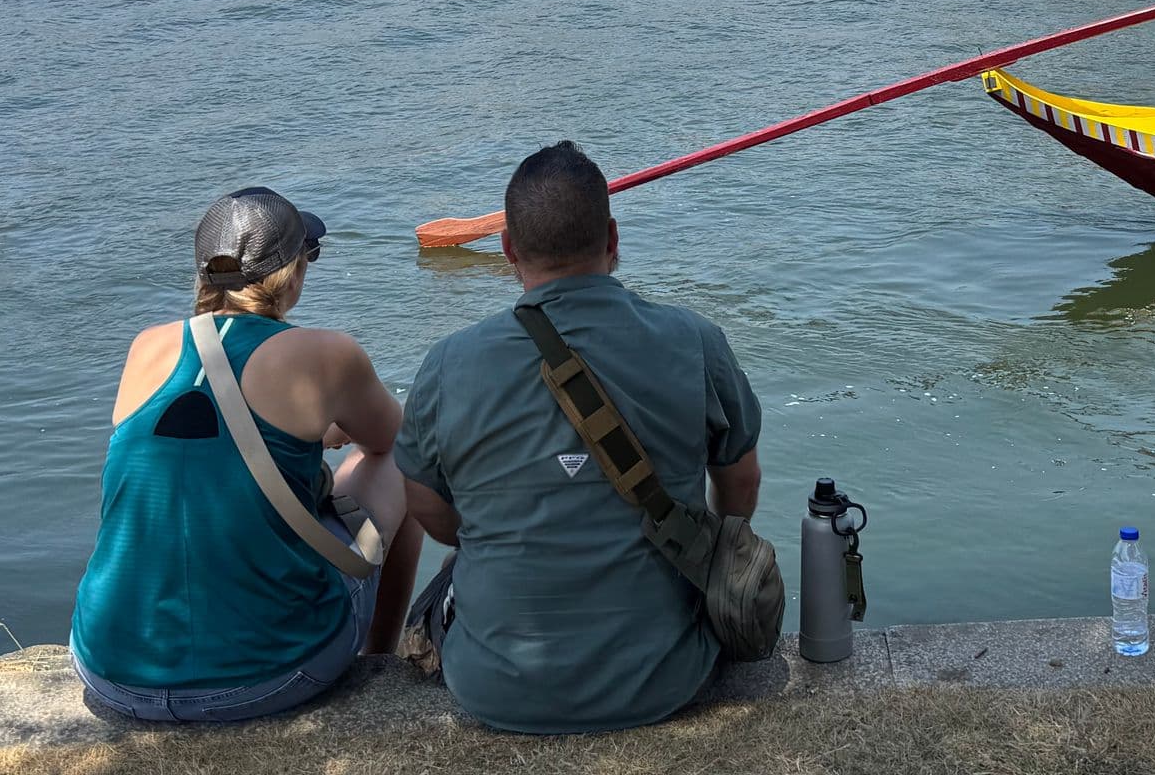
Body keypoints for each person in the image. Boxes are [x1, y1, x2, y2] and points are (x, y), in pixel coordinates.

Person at [396, 142, 763, 734]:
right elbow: (740, 486)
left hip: (491, 684)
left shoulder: (449, 362)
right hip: (666, 677)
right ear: (613, 239)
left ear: (509, 248)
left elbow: (428, 509)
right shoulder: (695, 341)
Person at [70, 187, 421, 720]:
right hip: (263, 677)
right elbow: (401, 439)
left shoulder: (147, 345)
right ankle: (380, 662)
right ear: (293, 272)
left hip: (111, 672)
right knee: (402, 467)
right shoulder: (324, 354)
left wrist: (308, 431)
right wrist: (323, 428)